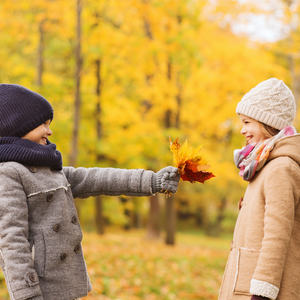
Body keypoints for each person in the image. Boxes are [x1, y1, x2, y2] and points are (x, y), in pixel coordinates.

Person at [0, 84, 180, 300]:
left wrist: (152, 180)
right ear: (18, 126)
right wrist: (27, 295)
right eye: (43, 124)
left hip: (65, 284)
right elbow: (11, 240)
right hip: (39, 290)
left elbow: (97, 179)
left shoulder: (50, 168)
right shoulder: (9, 173)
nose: (50, 131)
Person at [218, 78, 300, 300]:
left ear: (266, 123)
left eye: (247, 122)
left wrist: (262, 292)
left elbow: (277, 236)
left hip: (260, 291)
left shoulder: (281, 168)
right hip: (244, 281)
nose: (242, 130)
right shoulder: (262, 165)